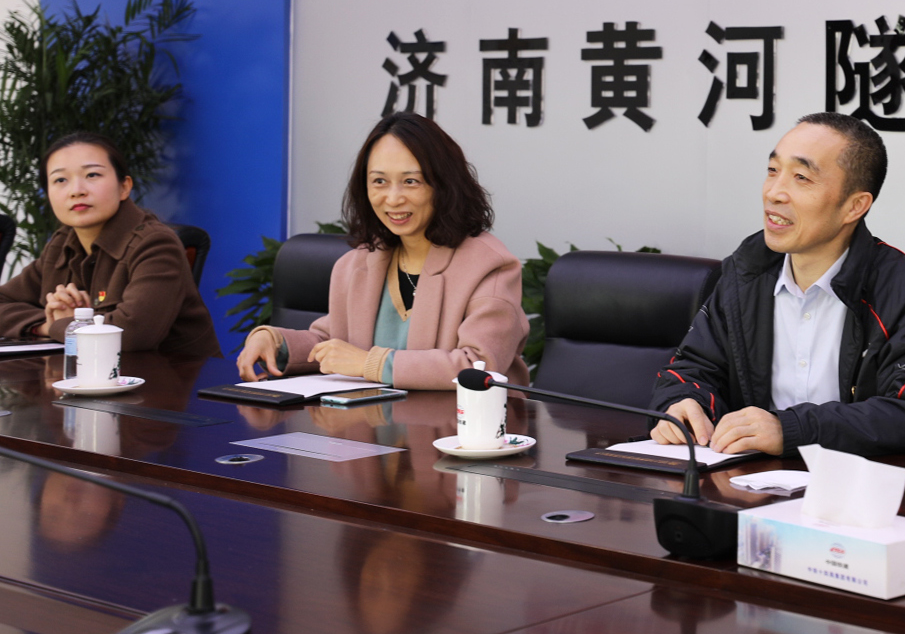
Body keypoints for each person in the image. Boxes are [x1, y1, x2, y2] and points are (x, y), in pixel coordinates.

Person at [650, 112, 905, 458]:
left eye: (801, 177)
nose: (774, 192)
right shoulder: (745, 274)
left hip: (863, 486)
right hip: (750, 483)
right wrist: (684, 403)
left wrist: (792, 431)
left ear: (854, 206)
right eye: (773, 170)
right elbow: (692, 368)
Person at [235, 113, 527, 388]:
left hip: (460, 424)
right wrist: (275, 342)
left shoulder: (489, 265)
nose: (393, 198)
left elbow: (479, 366)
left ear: (444, 185)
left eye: (411, 181)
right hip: (372, 421)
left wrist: (370, 364)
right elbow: (335, 343)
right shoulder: (358, 263)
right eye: (379, 182)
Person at [0, 133, 220, 356]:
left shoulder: (156, 244)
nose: (77, 190)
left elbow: (132, 334)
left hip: (172, 376)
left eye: (92, 175)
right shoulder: (62, 243)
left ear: (124, 187)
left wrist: (64, 325)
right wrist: (47, 325)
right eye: (60, 180)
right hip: (87, 372)